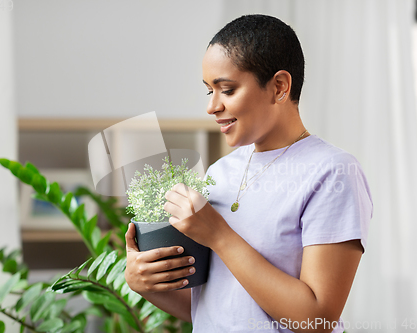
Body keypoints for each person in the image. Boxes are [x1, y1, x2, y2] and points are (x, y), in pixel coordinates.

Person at [125, 14, 373, 333]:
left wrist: (218, 235)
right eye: (208, 91)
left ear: (279, 87)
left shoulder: (333, 172)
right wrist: (144, 284)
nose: (212, 106)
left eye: (226, 90)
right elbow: (212, 306)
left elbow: (318, 319)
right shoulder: (221, 171)